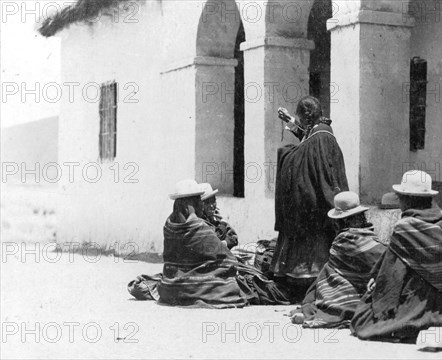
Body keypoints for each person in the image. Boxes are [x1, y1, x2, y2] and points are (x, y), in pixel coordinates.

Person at [350, 170, 442, 343]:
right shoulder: (441, 227)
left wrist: (378, 294)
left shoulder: (405, 228)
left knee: (362, 320)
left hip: (418, 306)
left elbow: (392, 275)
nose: (399, 201)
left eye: (400, 197)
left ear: (407, 199)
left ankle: (408, 324)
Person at [128, 180, 290, 307]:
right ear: (189, 204)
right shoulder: (198, 227)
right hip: (195, 286)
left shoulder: (170, 226)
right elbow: (228, 260)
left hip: (171, 284)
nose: (202, 204)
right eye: (198, 200)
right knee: (262, 286)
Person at [272, 96, 349, 297]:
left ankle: (307, 282)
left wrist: (287, 156)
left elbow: (314, 158)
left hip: (316, 201)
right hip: (313, 198)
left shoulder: (323, 137)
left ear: (307, 115)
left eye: (300, 117)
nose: (299, 121)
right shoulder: (319, 133)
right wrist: (290, 122)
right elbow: (308, 144)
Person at [290, 191, 386, 328]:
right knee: (328, 269)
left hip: (353, 286)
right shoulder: (363, 237)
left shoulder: (343, 239)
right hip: (362, 286)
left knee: (328, 270)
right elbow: (382, 257)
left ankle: (321, 307)